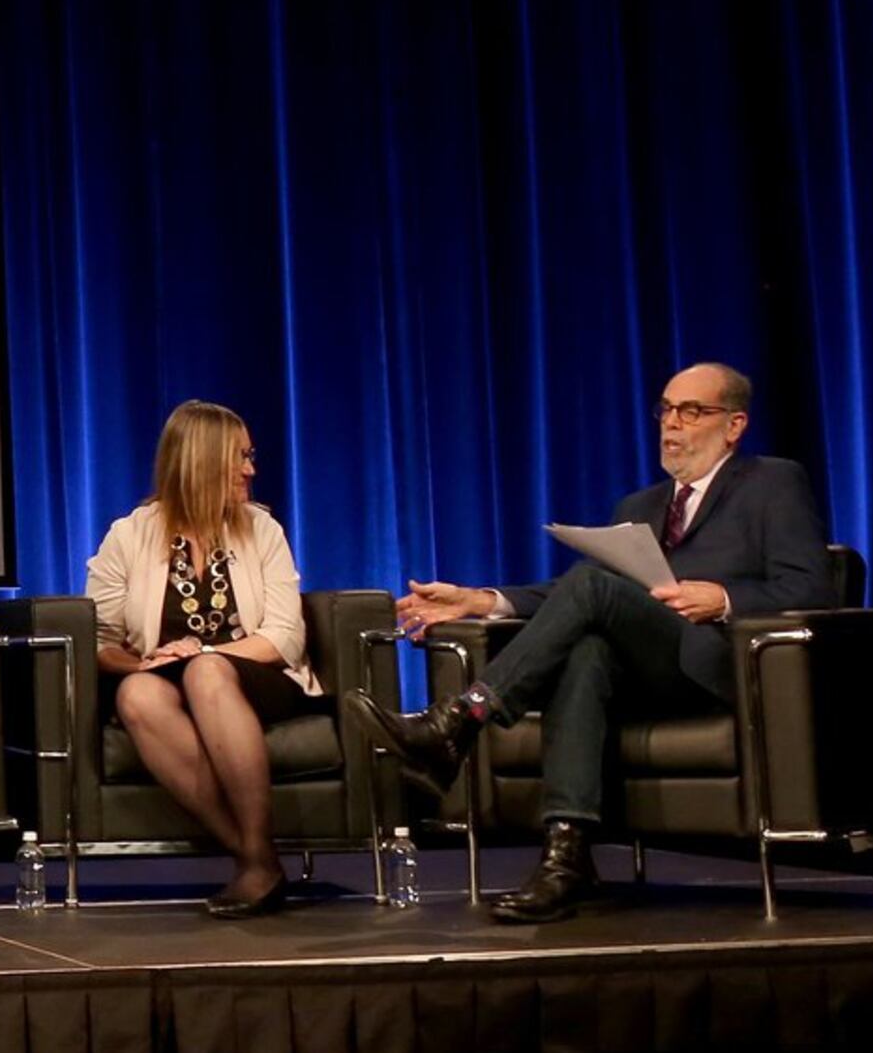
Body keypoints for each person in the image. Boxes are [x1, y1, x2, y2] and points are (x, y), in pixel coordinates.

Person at [356, 361, 832, 921]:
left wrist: (723, 597)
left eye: (692, 411)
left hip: (718, 666)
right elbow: (572, 597)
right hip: (644, 670)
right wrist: (482, 600)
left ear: (734, 425)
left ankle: (460, 721)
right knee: (587, 650)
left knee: (592, 589)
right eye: (666, 409)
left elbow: (811, 585)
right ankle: (566, 859)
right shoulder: (639, 507)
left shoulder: (772, 483)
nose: (672, 424)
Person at [85, 401, 322, 917]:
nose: (251, 470)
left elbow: (284, 635)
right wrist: (140, 665)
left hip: (257, 678)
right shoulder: (129, 536)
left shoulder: (263, 531)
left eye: (250, 456)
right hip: (163, 678)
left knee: (208, 671)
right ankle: (256, 858)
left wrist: (206, 652)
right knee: (137, 694)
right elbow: (99, 642)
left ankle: (257, 854)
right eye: (240, 457)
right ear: (200, 460)